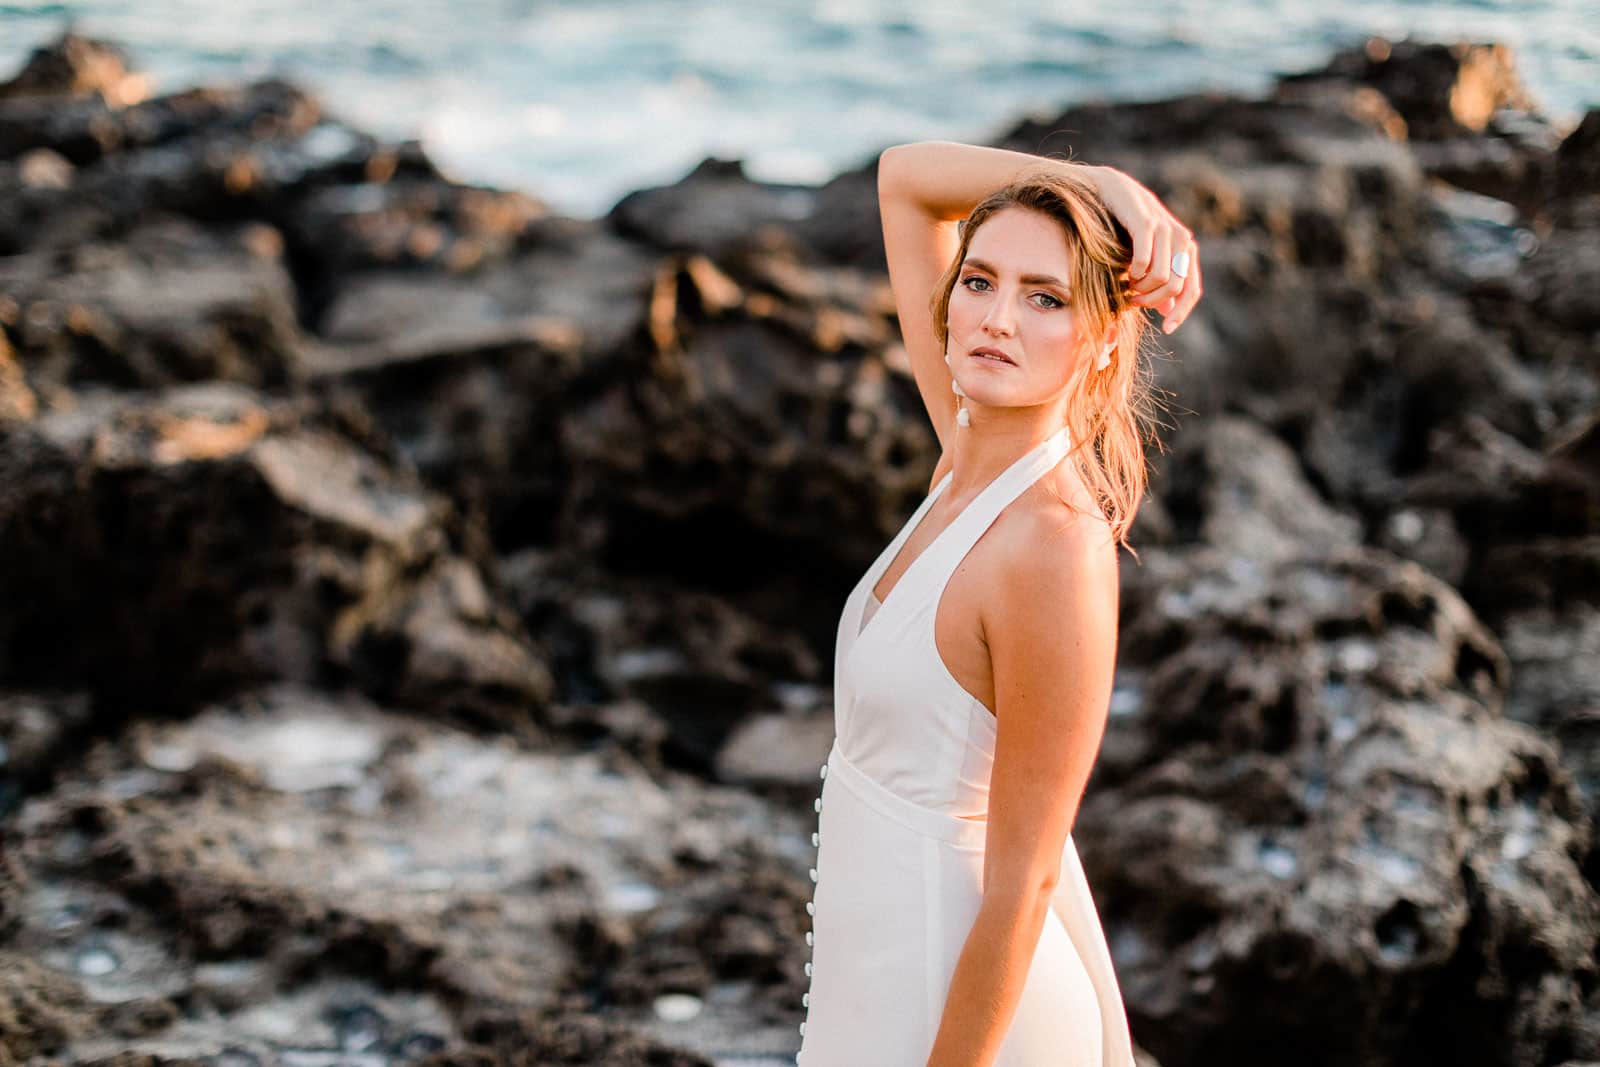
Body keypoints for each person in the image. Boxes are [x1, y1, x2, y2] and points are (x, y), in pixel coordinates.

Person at [794, 140, 1201, 1066]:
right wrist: (1099, 185)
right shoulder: (964, 464)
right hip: (872, 989)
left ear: (1102, 342)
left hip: (976, 1021)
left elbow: (1026, 880)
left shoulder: (1054, 547)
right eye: (979, 281)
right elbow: (904, 180)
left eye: (1046, 297)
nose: (998, 319)